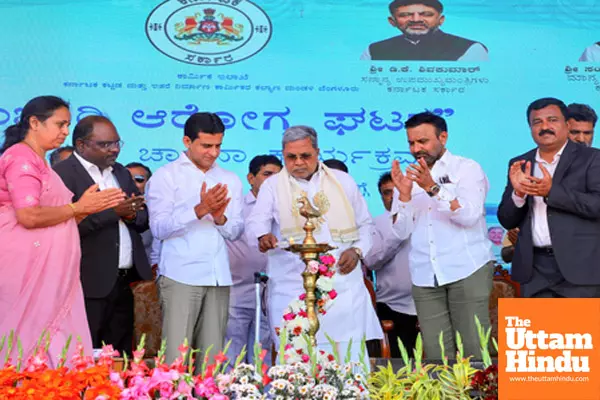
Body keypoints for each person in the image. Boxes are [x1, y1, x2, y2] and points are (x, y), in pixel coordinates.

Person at [0, 96, 124, 367]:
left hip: (53, 270)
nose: (65, 132)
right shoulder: (20, 157)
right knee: (25, 342)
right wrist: (77, 207)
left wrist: (84, 209)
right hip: (26, 268)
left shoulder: (40, 161)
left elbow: (58, 217)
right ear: (34, 123)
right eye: (60, 124)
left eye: (67, 125)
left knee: (53, 342)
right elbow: (28, 215)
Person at [246, 125, 383, 360]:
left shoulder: (342, 181)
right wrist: (262, 237)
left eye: (305, 155)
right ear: (283, 155)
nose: (298, 162)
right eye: (291, 157)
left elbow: (366, 226)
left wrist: (357, 251)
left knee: (347, 358)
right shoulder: (272, 186)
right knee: (295, 357)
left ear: (317, 152)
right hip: (292, 285)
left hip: (342, 287)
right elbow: (254, 224)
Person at [390, 112, 494, 359]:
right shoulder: (408, 178)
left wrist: (432, 188)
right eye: (411, 143)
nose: (416, 149)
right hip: (425, 274)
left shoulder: (467, 169)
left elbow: (469, 216)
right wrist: (404, 196)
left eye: (423, 141)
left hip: (467, 268)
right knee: (436, 356)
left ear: (443, 137)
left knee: (474, 351)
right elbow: (401, 232)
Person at [146, 112, 243, 365]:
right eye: (206, 146)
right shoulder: (166, 176)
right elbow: (159, 228)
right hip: (181, 275)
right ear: (187, 141)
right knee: (176, 359)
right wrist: (199, 210)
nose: (213, 153)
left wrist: (220, 217)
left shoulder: (229, 179)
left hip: (218, 275)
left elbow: (235, 232)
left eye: (218, 146)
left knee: (212, 359)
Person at [54, 116, 152, 355]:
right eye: (106, 144)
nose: (114, 149)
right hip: (87, 281)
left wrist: (130, 214)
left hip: (126, 280)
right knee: (83, 353)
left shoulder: (120, 171)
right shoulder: (62, 175)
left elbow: (142, 219)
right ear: (81, 145)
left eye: (117, 143)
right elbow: (63, 227)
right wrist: (113, 213)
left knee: (120, 354)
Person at [497, 97, 600, 298]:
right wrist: (518, 194)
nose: (545, 127)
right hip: (534, 270)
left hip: (580, 270)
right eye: (537, 122)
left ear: (567, 124)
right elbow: (506, 219)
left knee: (579, 330)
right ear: (530, 128)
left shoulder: (593, 158)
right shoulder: (520, 162)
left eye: (552, 120)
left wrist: (552, 192)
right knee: (540, 330)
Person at [225, 155, 282, 365]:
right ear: (251, 178)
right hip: (237, 291)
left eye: (278, 176)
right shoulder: (235, 206)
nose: (273, 181)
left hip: (270, 293)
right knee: (233, 352)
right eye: (267, 174)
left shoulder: (287, 209)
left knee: (263, 354)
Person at [363, 172, 418, 356]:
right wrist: (396, 235)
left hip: (428, 303)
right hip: (391, 305)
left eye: (397, 191)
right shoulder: (375, 224)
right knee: (397, 366)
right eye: (387, 193)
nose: (393, 197)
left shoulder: (425, 219)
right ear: (381, 197)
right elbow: (371, 261)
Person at [361, 0, 488, 61]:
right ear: (392, 22)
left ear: (441, 20)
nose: (416, 20)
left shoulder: (470, 49)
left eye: (426, 14)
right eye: (405, 15)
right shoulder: (374, 50)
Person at [126, 162, 160, 267]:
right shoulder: (108, 208)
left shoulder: (158, 210)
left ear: (149, 184)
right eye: (127, 180)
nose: (132, 184)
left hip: (147, 272)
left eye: (139, 179)